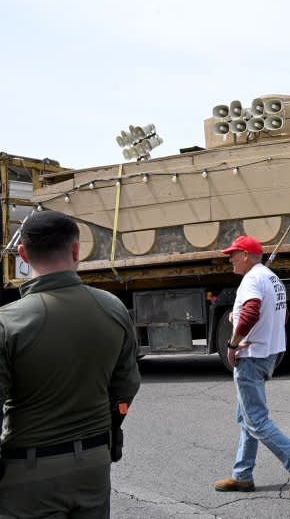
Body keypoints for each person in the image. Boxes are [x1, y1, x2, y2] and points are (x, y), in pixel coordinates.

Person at [0, 210, 141, 517]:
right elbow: (127, 385)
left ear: (23, 254)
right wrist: (110, 426)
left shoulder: (8, 322)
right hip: (93, 463)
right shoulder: (113, 308)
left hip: (28, 473)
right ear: (77, 250)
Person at [214, 235, 290, 499]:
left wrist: (232, 343)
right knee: (246, 418)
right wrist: (237, 317)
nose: (230, 260)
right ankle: (242, 475)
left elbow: (252, 311)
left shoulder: (251, 279)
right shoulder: (272, 278)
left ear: (247, 256)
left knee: (257, 420)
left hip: (250, 356)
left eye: (234, 254)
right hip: (267, 354)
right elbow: (279, 314)